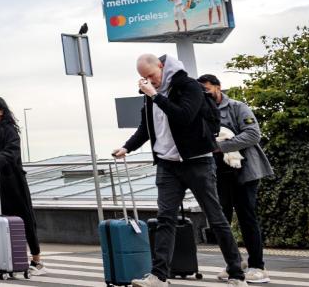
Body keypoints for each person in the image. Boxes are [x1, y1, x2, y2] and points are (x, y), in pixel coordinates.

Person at [112, 54, 246, 287]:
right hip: (167, 164)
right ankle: (159, 276)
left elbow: (183, 116)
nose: (149, 81)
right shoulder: (149, 96)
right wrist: (127, 147)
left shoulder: (188, 86)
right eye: (143, 78)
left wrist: (155, 96)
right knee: (165, 219)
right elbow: (146, 127)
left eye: (151, 75)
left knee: (215, 217)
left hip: (197, 161)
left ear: (161, 66)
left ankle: (236, 273)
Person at [198, 73, 273, 284]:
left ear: (218, 87)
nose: (205, 95)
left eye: (207, 90)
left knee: (247, 217)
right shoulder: (202, 112)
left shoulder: (238, 107)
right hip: (217, 173)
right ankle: (235, 264)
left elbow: (252, 135)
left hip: (245, 172)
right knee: (223, 221)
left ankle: (258, 265)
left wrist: (218, 146)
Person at [0, 97, 45, 275]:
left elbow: (13, 151)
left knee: (24, 218)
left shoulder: (9, 130)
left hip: (11, 184)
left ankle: (36, 260)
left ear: (1, 111)